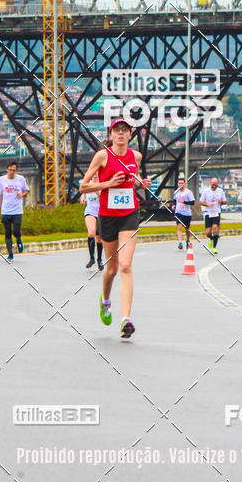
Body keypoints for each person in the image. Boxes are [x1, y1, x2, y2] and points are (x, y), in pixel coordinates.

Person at [79, 118, 151, 340]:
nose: (120, 134)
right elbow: (83, 186)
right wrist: (107, 184)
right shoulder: (102, 156)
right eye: (116, 130)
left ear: (130, 135)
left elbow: (133, 176)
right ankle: (106, 300)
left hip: (129, 213)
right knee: (111, 269)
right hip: (108, 216)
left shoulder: (135, 156)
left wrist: (140, 183)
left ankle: (125, 320)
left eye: (125, 131)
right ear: (111, 135)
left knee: (126, 266)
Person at [0, 160, 30, 261]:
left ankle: (18, 239)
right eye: (10, 170)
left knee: (16, 231)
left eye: (14, 170)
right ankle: (10, 253)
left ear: (16, 170)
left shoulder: (21, 179)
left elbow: (27, 190)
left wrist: (21, 194)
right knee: (8, 232)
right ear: (7, 169)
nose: (12, 172)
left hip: (17, 210)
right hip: (6, 210)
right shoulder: (1, 180)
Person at [199, 176, 226, 254]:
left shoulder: (220, 191)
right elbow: (200, 202)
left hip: (216, 212)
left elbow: (225, 202)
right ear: (210, 183)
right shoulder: (206, 191)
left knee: (215, 228)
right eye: (213, 184)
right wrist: (207, 204)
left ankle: (214, 247)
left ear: (217, 184)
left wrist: (221, 202)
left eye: (215, 185)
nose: (214, 186)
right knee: (207, 232)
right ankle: (211, 238)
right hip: (208, 212)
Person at [81, 178, 104, 270]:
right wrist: (83, 196)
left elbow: (104, 197)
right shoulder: (88, 182)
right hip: (90, 210)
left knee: (99, 238)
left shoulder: (103, 183)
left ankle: (99, 259)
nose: (94, 174)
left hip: (100, 211)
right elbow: (83, 190)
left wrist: (96, 191)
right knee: (91, 233)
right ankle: (92, 258)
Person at [172, 176, 195, 250]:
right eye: (179, 183)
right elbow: (175, 200)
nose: (181, 184)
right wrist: (174, 205)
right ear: (178, 184)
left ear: (184, 184)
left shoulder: (188, 192)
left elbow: (192, 202)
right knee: (179, 226)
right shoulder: (176, 192)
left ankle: (188, 240)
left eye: (182, 183)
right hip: (178, 212)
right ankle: (180, 243)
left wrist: (184, 202)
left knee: (187, 229)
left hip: (187, 213)